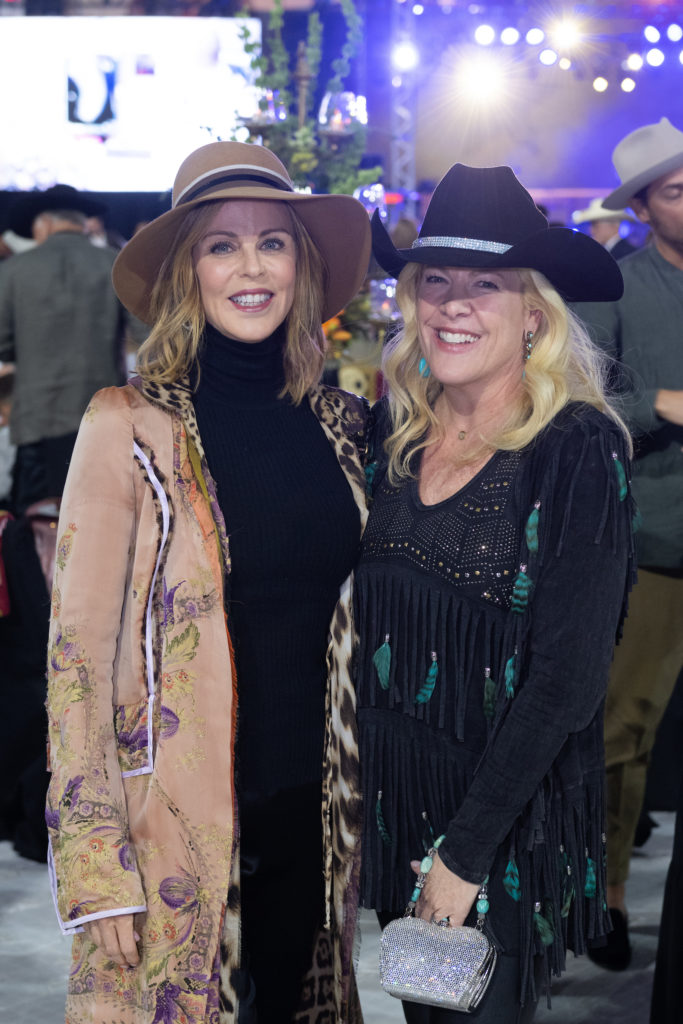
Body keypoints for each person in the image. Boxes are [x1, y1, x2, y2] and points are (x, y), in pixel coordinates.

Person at [45, 140, 372, 1024]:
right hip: (169, 828)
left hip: (314, 814)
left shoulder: (345, 426)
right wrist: (93, 860)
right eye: (221, 244)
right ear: (188, 271)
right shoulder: (126, 426)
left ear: (301, 266)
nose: (251, 266)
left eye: (274, 241)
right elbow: (75, 656)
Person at [354, 163, 634, 1022]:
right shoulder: (394, 436)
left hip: (499, 829)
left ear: (534, 315)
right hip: (402, 807)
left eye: (486, 285)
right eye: (433, 281)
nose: (452, 304)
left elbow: (566, 678)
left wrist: (463, 855)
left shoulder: (575, 446)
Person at [574, 116, 683, 971]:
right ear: (644, 205)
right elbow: (578, 406)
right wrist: (659, 406)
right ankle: (606, 894)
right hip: (654, 539)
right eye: (677, 190)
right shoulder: (610, 289)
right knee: (625, 730)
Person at [0, 183, 143, 515]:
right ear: (82, 222)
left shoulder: (13, 271)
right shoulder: (115, 264)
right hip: (105, 418)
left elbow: (2, 343)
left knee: (39, 536)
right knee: (108, 523)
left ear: (44, 224)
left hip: (39, 421)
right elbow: (146, 335)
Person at [571, 197, 638, 260]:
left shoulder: (626, 255)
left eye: (595, 225)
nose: (591, 231)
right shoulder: (625, 252)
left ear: (613, 225)